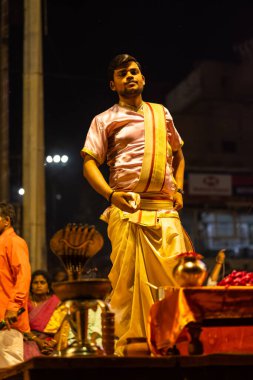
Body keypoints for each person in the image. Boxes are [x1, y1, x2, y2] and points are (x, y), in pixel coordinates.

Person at [81, 53, 193, 355]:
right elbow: (89, 162)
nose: (129, 76)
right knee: (129, 285)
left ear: (143, 79)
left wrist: (179, 189)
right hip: (127, 210)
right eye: (122, 74)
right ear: (112, 84)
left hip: (165, 211)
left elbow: (178, 155)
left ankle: (174, 344)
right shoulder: (103, 120)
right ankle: (131, 350)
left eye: (134, 72)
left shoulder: (162, 114)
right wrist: (110, 195)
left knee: (176, 280)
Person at [0, 202, 31, 368]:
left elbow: (23, 275)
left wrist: (14, 305)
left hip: (8, 322)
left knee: (10, 370)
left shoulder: (14, 242)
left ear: (6, 220)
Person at [23, 269, 66, 359]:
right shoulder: (25, 303)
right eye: (35, 283)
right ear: (31, 286)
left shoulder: (56, 302)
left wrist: (52, 343)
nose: (39, 285)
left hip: (51, 343)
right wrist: (37, 341)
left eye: (42, 282)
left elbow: (62, 328)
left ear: (48, 287)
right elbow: (22, 326)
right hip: (29, 339)